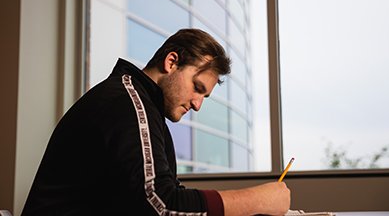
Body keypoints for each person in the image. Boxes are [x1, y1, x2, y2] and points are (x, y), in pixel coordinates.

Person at [22, 28, 290, 215]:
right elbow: (161, 204)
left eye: (204, 96)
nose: (197, 104)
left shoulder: (142, 105)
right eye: (197, 87)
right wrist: (258, 200)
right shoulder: (127, 104)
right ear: (171, 62)